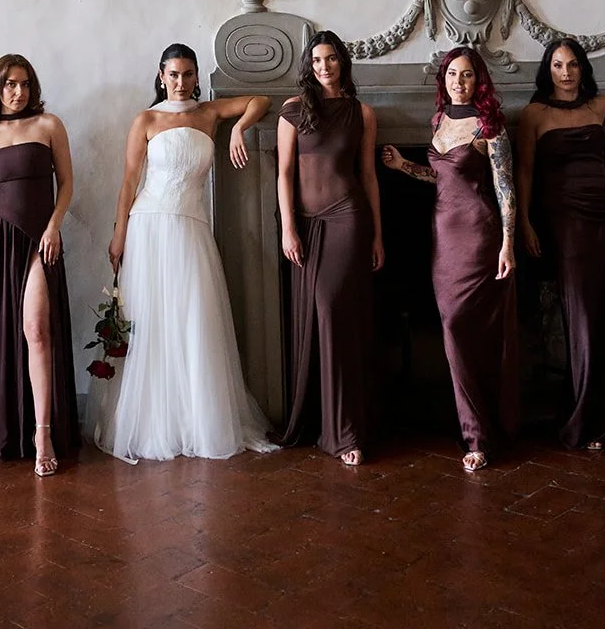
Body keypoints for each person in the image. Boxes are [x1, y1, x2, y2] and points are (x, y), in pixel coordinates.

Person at [94, 42, 277, 463]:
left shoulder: (209, 113)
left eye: (188, 74)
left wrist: (238, 128)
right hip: (148, 225)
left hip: (191, 226)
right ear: (161, 76)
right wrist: (119, 235)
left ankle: (195, 420)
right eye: (173, 74)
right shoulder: (147, 119)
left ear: (196, 77)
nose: (180, 82)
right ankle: (153, 422)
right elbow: (129, 182)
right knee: (151, 320)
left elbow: (260, 100)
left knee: (194, 319)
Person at [382, 45, 518, 471]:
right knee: (451, 329)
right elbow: (440, 176)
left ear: (479, 81)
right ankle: (474, 426)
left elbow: (506, 189)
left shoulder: (490, 125)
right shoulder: (439, 120)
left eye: (468, 74)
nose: (460, 81)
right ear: (443, 79)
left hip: (480, 236)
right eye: (453, 74)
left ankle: (479, 436)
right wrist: (404, 166)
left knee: (466, 330)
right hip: (443, 239)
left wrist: (508, 243)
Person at [516, 37, 605, 451]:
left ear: (582, 69)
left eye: (573, 64)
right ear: (548, 70)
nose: (566, 72)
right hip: (566, 222)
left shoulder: (597, 105)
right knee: (583, 318)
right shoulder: (534, 114)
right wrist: (524, 222)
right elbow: (525, 173)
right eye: (558, 65)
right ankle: (587, 419)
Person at [0, 54, 79, 475]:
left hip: (38, 240)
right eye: (11, 84)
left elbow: (66, 184)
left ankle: (42, 432)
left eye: (25, 83)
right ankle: (7, 429)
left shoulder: (49, 125)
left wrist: (54, 227)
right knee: (1, 336)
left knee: (37, 330)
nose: (18, 91)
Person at [277, 31, 383, 466]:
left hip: (348, 220)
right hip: (305, 224)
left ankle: (345, 432)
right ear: (309, 65)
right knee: (321, 318)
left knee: (332, 312)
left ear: (343, 62)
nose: (325, 66)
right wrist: (288, 228)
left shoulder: (362, 113)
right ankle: (327, 425)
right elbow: (284, 173)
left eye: (332, 58)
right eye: (318, 60)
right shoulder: (293, 110)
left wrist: (377, 235)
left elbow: (368, 175)